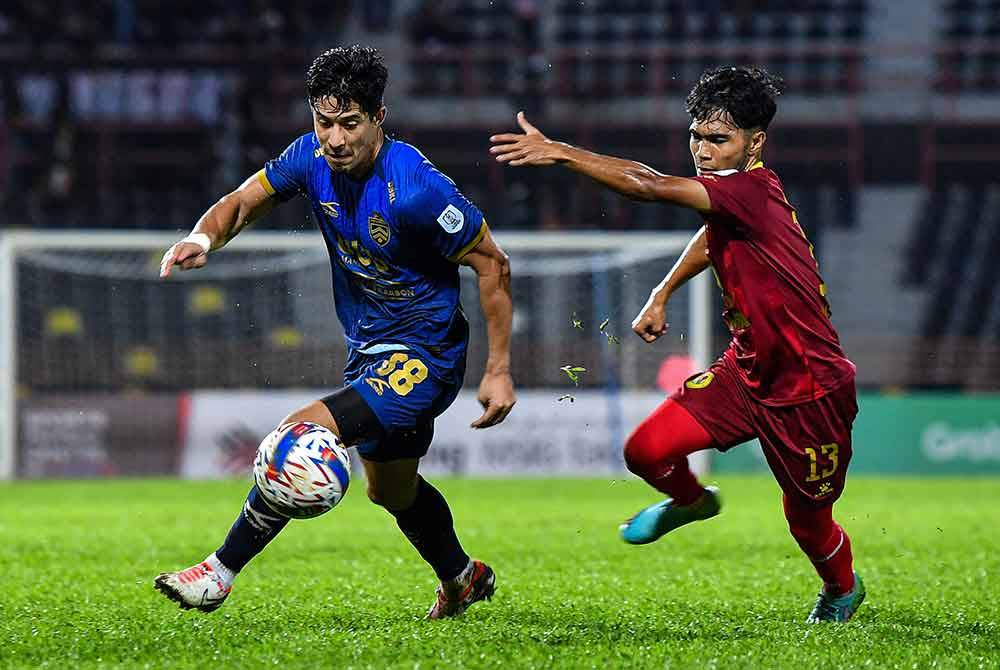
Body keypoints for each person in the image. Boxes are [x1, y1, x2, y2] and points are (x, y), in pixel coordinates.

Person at [490, 66, 864, 623]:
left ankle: (841, 590)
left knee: (807, 521)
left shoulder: (750, 190)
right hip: (746, 373)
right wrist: (662, 292)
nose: (703, 150)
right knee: (645, 451)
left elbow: (647, 185)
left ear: (755, 142)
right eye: (697, 136)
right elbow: (711, 236)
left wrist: (563, 153)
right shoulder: (736, 196)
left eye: (719, 139)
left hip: (809, 390)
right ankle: (692, 500)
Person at [155, 45, 515, 619]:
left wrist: (498, 371)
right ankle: (461, 576)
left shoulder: (419, 189)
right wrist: (202, 238)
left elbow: (492, 264)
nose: (336, 138)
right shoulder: (309, 157)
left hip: (427, 357)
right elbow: (242, 202)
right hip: (369, 353)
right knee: (391, 491)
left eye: (350, 123)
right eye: (325, 122)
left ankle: (218, 572)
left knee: (299, 434)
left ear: (379, 117)